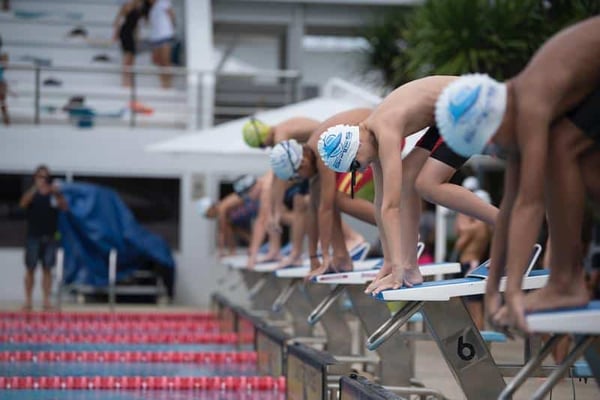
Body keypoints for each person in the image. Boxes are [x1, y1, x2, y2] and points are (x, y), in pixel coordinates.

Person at [435, 16, 600, 332]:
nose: (496, 151)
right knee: (580, 166)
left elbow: (531, 203)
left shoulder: (531, 106)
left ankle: (566, 281)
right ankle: (568, 279)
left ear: (494, 123)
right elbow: (510, 207)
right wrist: (494, 290)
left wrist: (514, 294)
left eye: (492, 142)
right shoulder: (513, 104)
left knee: (562, 149)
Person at [316, 79, 498, 294]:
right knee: (410, 179)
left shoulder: (385, 129)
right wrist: (389, 261)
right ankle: (411, 268)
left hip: (474, 105)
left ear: (357, 146)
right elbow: (380, 202)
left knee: (428, 185)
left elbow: (391, 208)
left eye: (356, 165)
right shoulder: (370, 135)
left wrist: (397, 269)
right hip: (451, 112)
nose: (362, 170)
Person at [19, 166, 68, 311]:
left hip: (50, 236)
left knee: (47, 269)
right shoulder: (32, 193)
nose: (43, 180)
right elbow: (22, 204)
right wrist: (36, 188)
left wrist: (57, 193)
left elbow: (64, 207)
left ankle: (46, 300)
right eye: (40, 177)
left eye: (45, 177)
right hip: (33, 236)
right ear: (35, 178)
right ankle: (28, 301)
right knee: (30, 269)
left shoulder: (54, 195)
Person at [454, 187, 493, 330]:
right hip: (476, 262)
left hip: (469, 264)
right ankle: (479, 339)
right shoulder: (486, 227)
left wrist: (461, 219)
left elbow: (459, 245)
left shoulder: (474, 227)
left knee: (474, 307)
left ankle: (480, 340)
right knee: (475, 307)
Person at [196, 193, 258, 258]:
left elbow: (222, 233)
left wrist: (220, 252)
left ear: (210, 209)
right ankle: (240, 247)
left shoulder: (222, 208)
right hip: (250, 205)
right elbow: (227, 232)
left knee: (227, 224)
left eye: (207, 215)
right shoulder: (223, 208)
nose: (209, 218)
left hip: (253, 203)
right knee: (229, 225)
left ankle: (235, 250)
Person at [113, 0, 145, 87]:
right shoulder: (127, 6)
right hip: (125, 32)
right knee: (127, 57)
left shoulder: (139, 8)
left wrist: (137, 38)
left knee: (132, 58)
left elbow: (137, 25)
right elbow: (118, 21)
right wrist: (116, 34)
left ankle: (130, 80)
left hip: (132, 33)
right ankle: (125, 81)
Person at [147, 0, 175, 88]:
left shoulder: (163, 2)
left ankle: (167, 83)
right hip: (156, 37)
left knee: (165, 59)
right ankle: (163, 79)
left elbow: (171, 14)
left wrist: (172, 27)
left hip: (165, 35)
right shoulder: (151, 9)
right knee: (158, 60)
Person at [0, 51, 10, 125]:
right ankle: (6, 119)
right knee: (3, 102)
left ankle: (6, 119)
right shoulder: (2, 66)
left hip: (1, 84)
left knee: (3, 102)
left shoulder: (2, 66)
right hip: (1, 84)